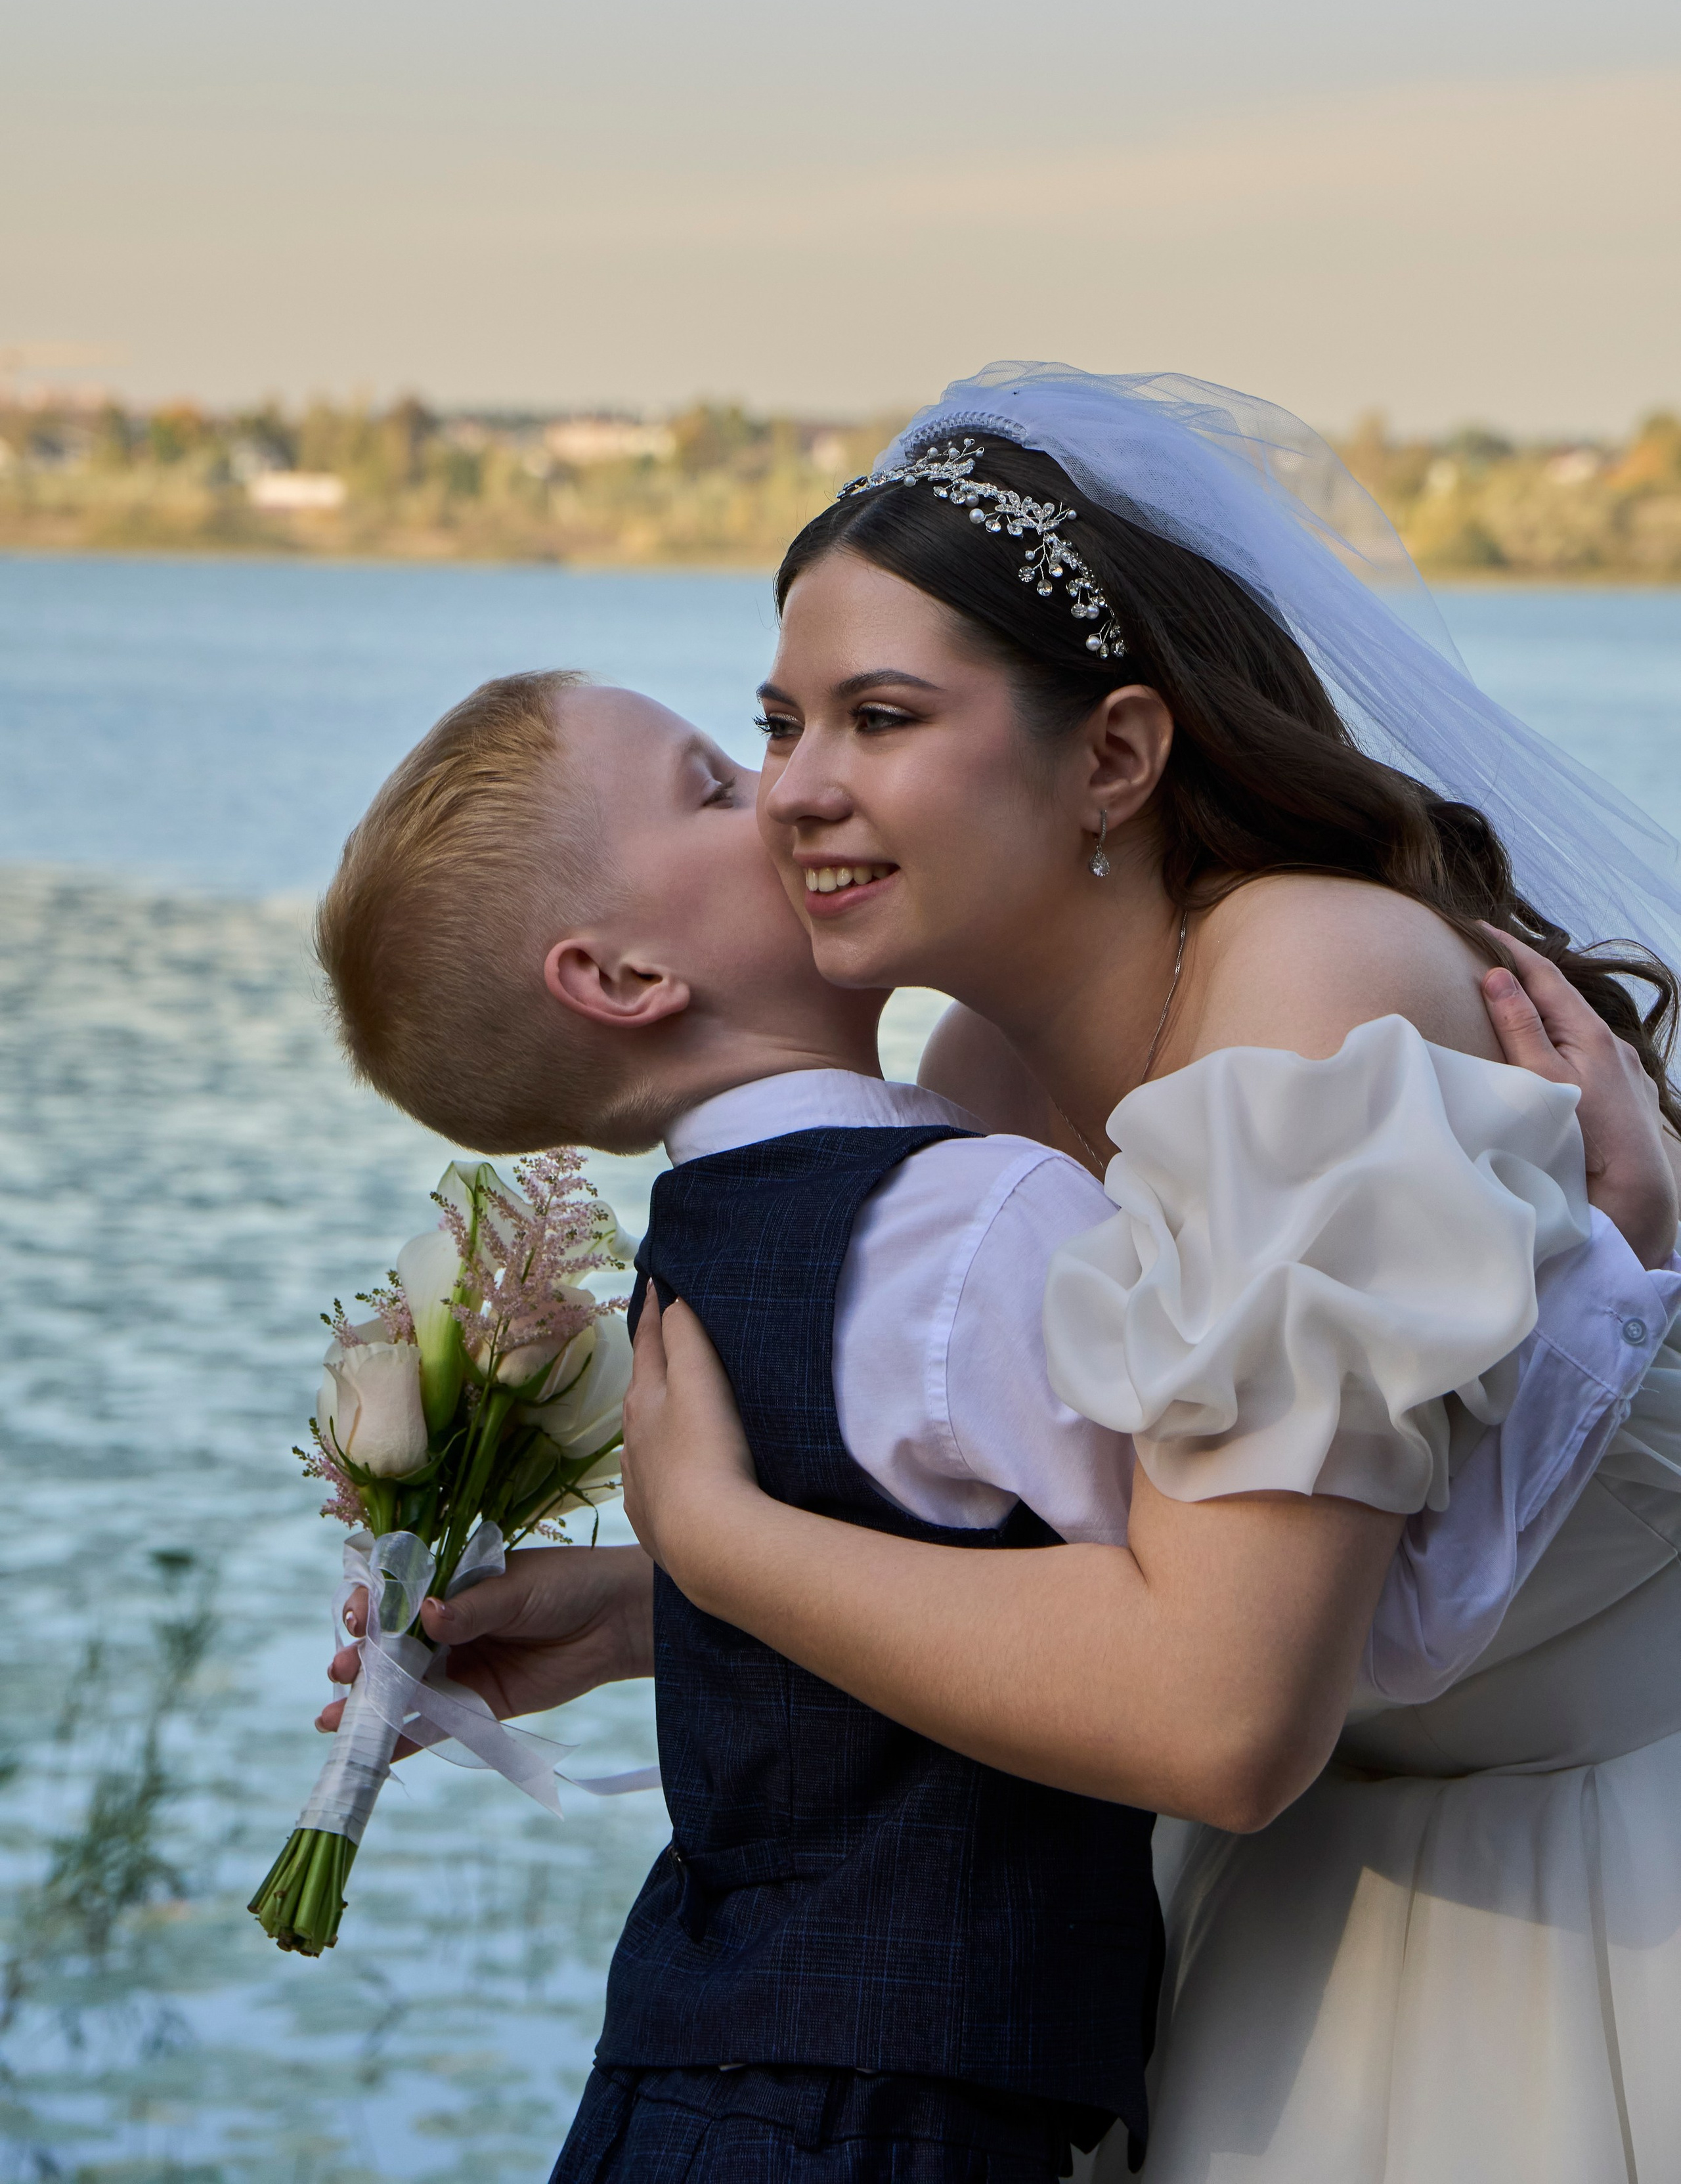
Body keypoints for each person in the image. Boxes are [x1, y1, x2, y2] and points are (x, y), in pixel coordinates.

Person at [311, 651, 1670, 2179]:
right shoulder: (983, 1220)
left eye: (819, 731)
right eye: (721, 780)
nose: (788, 796)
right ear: (623, 980)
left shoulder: (698, 1243)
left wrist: (671, 1601)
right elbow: (1302, 1631)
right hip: (902, 2116)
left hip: (693, 2075)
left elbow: (929, 1534)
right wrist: (1602, 1285)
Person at [613, 366, 1681, 2181]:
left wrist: (729, 1546)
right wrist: (630, 1613)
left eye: (878, 718)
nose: (797, 793)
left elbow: (1220, 1709)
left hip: (1591, 1901)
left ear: (1112, 753)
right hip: (1297, 1924)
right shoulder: (978, 1088)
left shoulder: (1313, 975)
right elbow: (1096, 1538)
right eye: (776, 724)